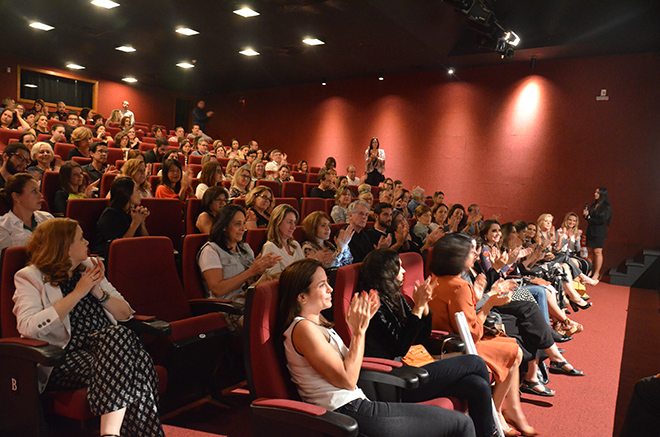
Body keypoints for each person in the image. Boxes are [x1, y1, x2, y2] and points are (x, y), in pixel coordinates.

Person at [278, 258, 476, 437]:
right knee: (462, 424)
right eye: (322, 285)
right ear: (301, 297)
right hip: (345, 412)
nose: (330, 289)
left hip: (359, 404)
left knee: (473, 386)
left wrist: (360, 328)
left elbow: (350, 368)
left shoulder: (319, 326)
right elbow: (347, 380)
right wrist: (358, 331)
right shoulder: (303, 329)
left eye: (328, 283)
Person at [13, 218, 164, 437]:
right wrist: (77, 293)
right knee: (138, 361)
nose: (87, 242)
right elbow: (28, 327)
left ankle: (110, 434)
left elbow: (125, 313)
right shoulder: (30, 277)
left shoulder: (90, 269)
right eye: (81, 238)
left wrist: (98, 293)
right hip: (65, 356)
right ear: (65, 246)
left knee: (121, 340)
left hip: (109, 349)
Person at [359, 250, 495, 437]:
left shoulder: (394, 296)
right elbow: (400, 346)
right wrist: (416, 309)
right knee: (475, 362)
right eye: (399, 267)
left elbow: (421, 337)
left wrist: (424, 307)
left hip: (409, 367)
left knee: (477, 384)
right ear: (386, 271)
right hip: (395, 379)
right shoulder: (374, 303)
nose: (404, 271)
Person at [428, 233, 536, 436]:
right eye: (471, 250)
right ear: (457, 256)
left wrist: (478, 299)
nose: (476, 254)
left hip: (446, 341)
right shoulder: (459, 285)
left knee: (511, 343)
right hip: (457, 347)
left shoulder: (435, 279)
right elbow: (473, 334)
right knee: (514, 350)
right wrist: (489, 303)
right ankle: (496, 412)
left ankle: (506, 410)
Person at [198, 204, 280, 331]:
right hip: (229, 308)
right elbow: (217, 289)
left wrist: (261, 268)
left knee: (288, 313)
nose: (243, 228)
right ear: (224, 226)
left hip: (251, 300)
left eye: (243, 223)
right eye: (237, 224)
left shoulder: (245, 248)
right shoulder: (211, 250)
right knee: (267, 326)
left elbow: (252, 279)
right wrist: (251, 271)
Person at [92, 177, 149, 259]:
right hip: (109, 258)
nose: (140, 192)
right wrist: (135, 223)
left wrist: (141, 222)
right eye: (137, 190)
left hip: (132, 254)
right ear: (127, 193)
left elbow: (146, 241)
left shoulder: (132, 213)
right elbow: (119, 247)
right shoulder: (110, 215)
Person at [0, 173, 54, 251]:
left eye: (38, 190)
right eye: (34, 191)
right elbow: (6, 260)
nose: (41, 196)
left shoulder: (47, 218)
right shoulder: (3, 226)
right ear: (16, 197)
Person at [260, 204, 304, 278]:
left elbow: (305, 270)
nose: (293, 227)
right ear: (277, 223)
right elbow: (273, 278)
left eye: (294, 223)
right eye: (290, 222)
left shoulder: (295, 244)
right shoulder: (270, 247)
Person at [583, 187, 612, 280]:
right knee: (590, 252)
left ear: (602, 194)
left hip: (600, 232)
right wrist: (586, 216)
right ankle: (589, 271)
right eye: (595, 192)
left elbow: (602, 220)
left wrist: (590, 218)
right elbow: (590, 219)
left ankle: (596, 273)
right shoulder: (593, 204)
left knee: (597, 252)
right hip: (591, 230)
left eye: (597, 192)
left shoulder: (606, 206)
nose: (595, 194)